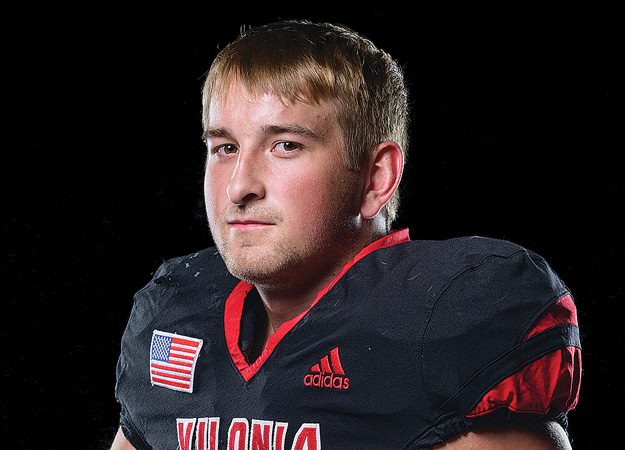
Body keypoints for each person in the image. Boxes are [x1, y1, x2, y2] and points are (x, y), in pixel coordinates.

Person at [111, 20, 582, 450]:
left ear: (377, 177)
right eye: (225, 148)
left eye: (286, 145)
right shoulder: (175, 312)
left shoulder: (439, 322)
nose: (239, 187)